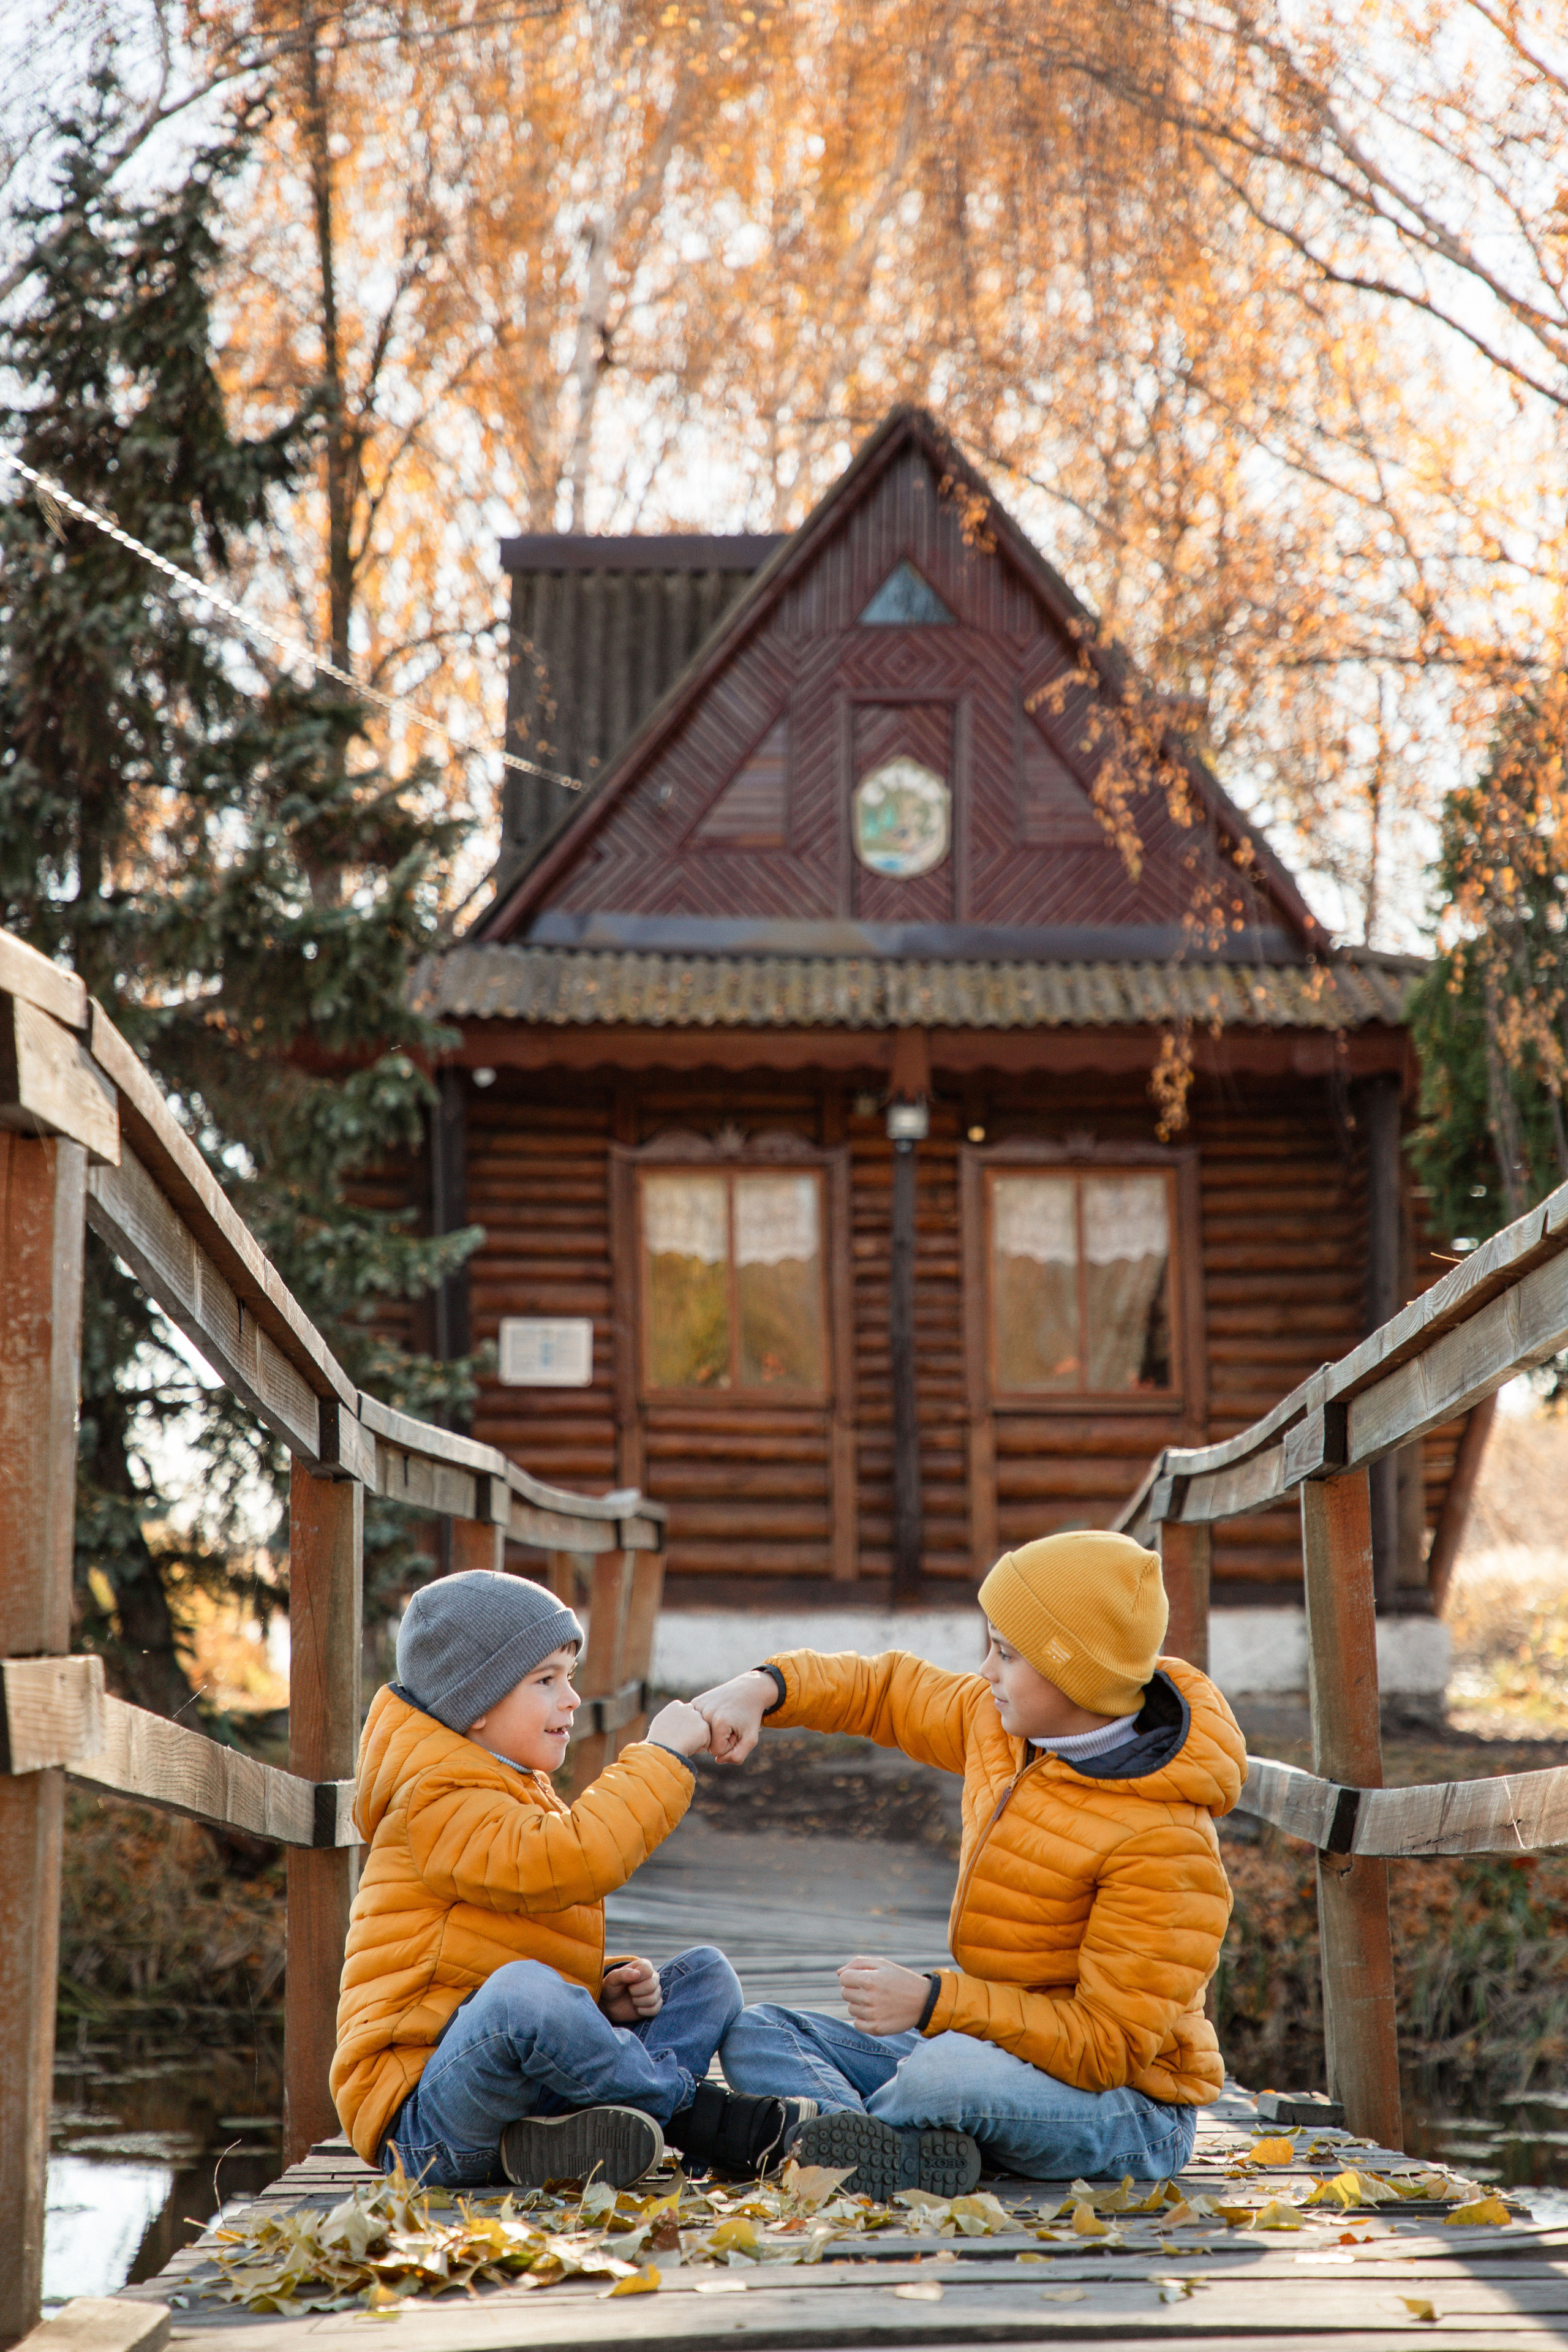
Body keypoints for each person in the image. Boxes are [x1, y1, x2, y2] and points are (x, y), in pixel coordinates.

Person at [698, 1530, 1245, 2196]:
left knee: (941, 2075)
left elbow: (1107, 2049)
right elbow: (886, 1691)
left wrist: (935, 2000)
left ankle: (816, 2142)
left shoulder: (1163, 1841)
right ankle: (875, 2148)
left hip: (1128, 2109)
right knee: (761, 2031)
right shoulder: (1004, 1728)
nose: (985, 1671)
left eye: (1006, 1654)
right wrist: (765, 1687)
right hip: (998, 2048)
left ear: (1074, 1673)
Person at [331, 1569, 812, 2189]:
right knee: (522, 1995)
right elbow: (576, 1861)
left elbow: (503, 1931)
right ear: (475, 1702)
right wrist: (661, 1756)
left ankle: (604, 2126)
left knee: (704, 1977)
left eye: (570, 1678)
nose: (572, 1699)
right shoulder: (435, 1798)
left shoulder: (511, 1783)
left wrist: (596, 1993)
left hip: (519, 2095)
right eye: (545, 1680)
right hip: (428, 2121)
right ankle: (691, 2114)